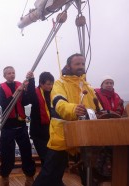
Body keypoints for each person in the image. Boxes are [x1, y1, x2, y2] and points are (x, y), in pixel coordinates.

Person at [32, 53, 99, 186]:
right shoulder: (59, 84)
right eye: (77, 64)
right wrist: (73, 109)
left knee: (91, 175)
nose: (81, 66)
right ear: (69, 66)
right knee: (50, 173)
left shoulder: (87, 86)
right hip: (62, 135)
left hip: (85, 135)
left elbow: (97, 107)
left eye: (82, 64)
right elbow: (59, 104)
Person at [0, 66, 35, 186]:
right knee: (6, 155)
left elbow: (27, 100)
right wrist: (17, 92)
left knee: (26, 153)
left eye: (13, 72)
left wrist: (31, 82)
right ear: (4, 76)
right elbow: (4, 105)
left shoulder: (21, 85)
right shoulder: (2, 89)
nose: (11, 75)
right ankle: (5, 177)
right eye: (8, 73)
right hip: (7, 127)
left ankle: (29, 177)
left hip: (21, 126)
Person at [26, 71, 54, 166]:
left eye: (51, 84)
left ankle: (50, 179)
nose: (50, 86)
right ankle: (46, 179)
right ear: (41, 84)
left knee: (51, 158)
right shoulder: (35, 93)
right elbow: (29, 96)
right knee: (45, 157)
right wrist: (31, 79)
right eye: (48, 84)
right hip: (38, 132)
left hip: (51, 131)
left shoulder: (53, 94)